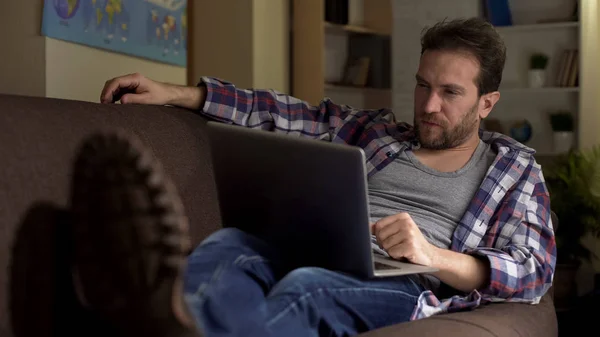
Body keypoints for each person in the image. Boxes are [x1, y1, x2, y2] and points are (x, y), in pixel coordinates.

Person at [11, 17, 556, 337]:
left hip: (403, 282)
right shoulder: (377, 131)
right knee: (229, 248)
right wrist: (178, 94)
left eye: (450, 93)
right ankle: (171, 314)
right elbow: (283, 111)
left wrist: (431, 255)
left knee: (304, 289)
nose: (428, 105)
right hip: (319, 244)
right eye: (422, 85)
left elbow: (533, 272)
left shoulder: (511, 168)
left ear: (487, 103)